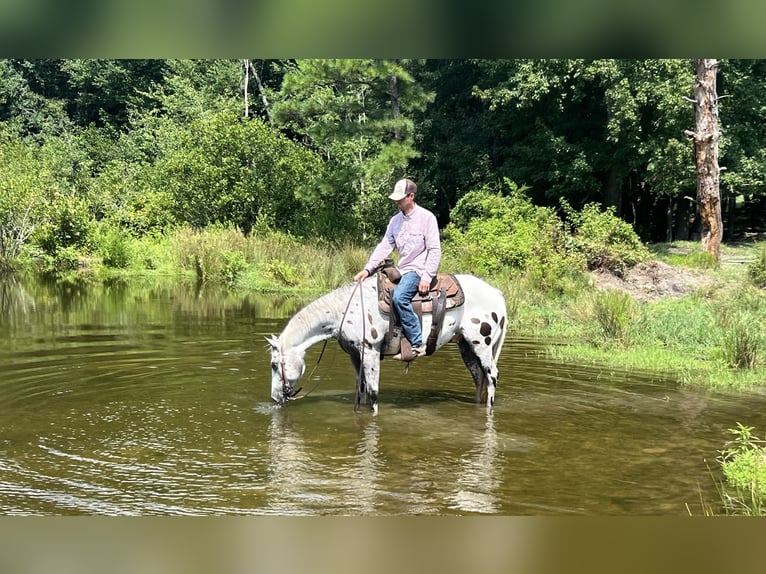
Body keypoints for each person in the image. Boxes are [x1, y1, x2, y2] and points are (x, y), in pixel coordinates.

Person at [354, 178, 441, 360]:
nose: (397, 201)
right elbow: (385, 246)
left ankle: (418, 343)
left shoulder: (427, 218)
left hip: (417, 270)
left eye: (401, 198)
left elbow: (434, 250)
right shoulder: (395, 221)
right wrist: (368, 269)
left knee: (400, 297)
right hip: (401, 269)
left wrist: (426, 277)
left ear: (411, 196)